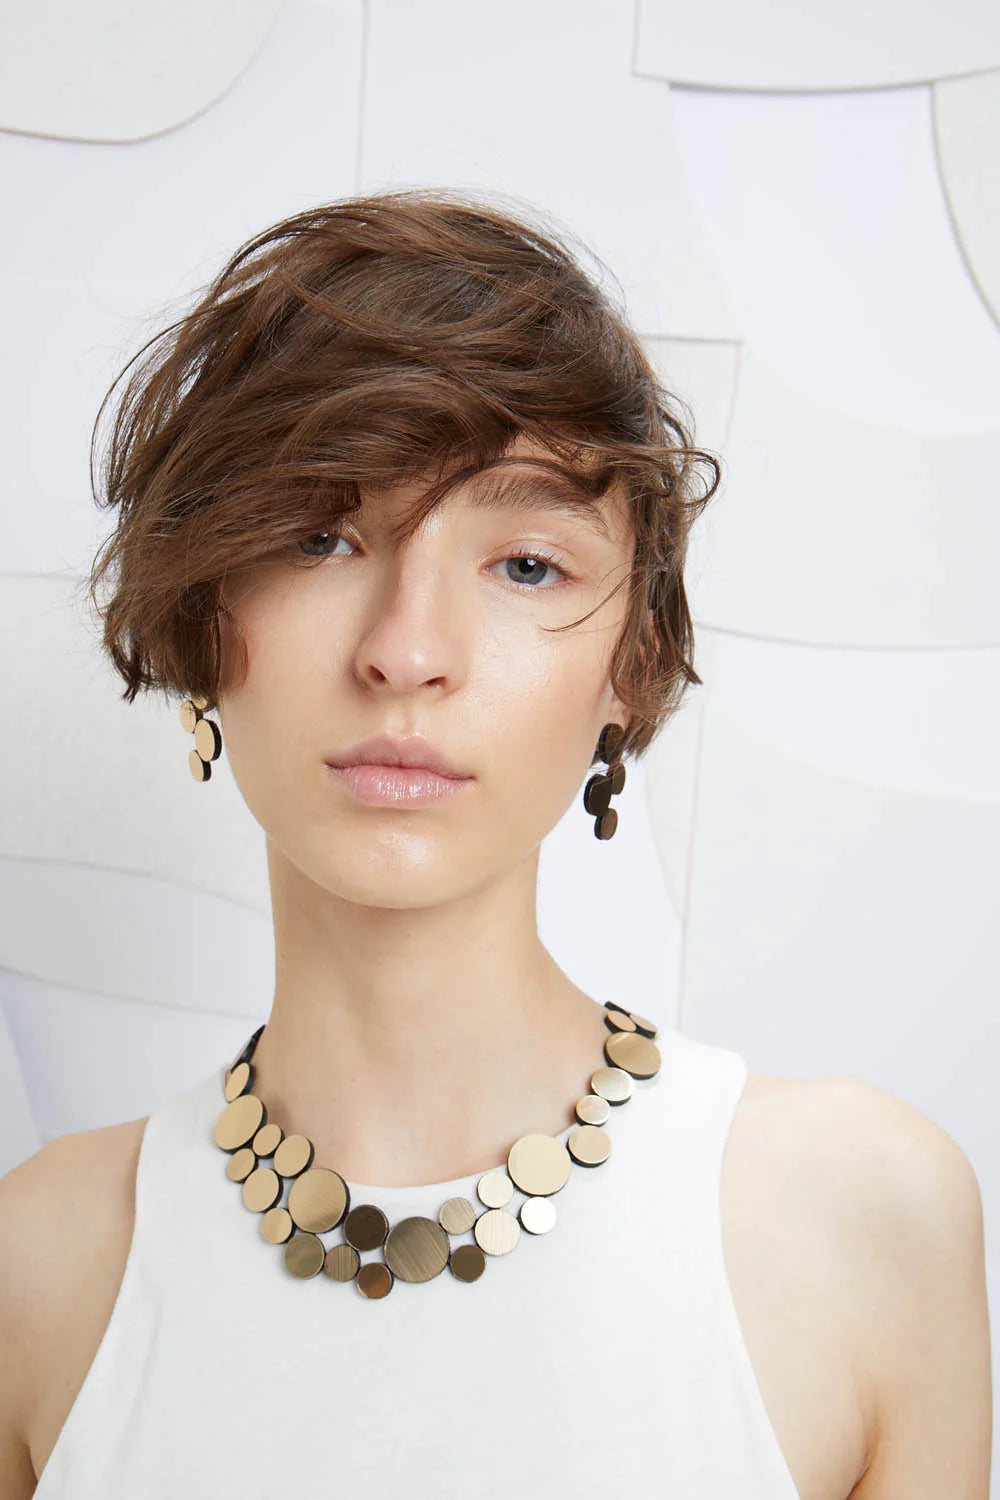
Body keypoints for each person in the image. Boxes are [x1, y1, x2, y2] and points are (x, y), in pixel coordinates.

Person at [0, 189, 991, 1499]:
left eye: (525, 565)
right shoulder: (42, 1260)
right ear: (199, 620)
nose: (406, 650)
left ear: (632, 663)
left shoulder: (857, 1214)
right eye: (319, 534)